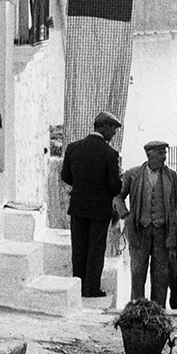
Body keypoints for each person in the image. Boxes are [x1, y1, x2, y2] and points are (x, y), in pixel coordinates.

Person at [60, 111, 123, 297]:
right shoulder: (110, 154)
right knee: (96, 248)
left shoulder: (73, 148)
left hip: (78, 206)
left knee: (79, 247)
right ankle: (91, 288)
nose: (113, 134)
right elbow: (115, 187)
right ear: (103, 127)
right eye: (113, 129)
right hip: (99, 210)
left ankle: (77, 286)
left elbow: (66, 176)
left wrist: (81, 186)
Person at [114, 140, 177, 307]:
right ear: (150, 155)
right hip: (139, 231)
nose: (164, 158)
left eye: (165, 154)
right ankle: (137, 310)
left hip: (163, 233)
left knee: (161, 275)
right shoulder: (133, 175)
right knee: (138, 272)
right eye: (160, 154)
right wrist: (125, 215)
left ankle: (157, 310)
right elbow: (118, 197)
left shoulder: (171, 176)